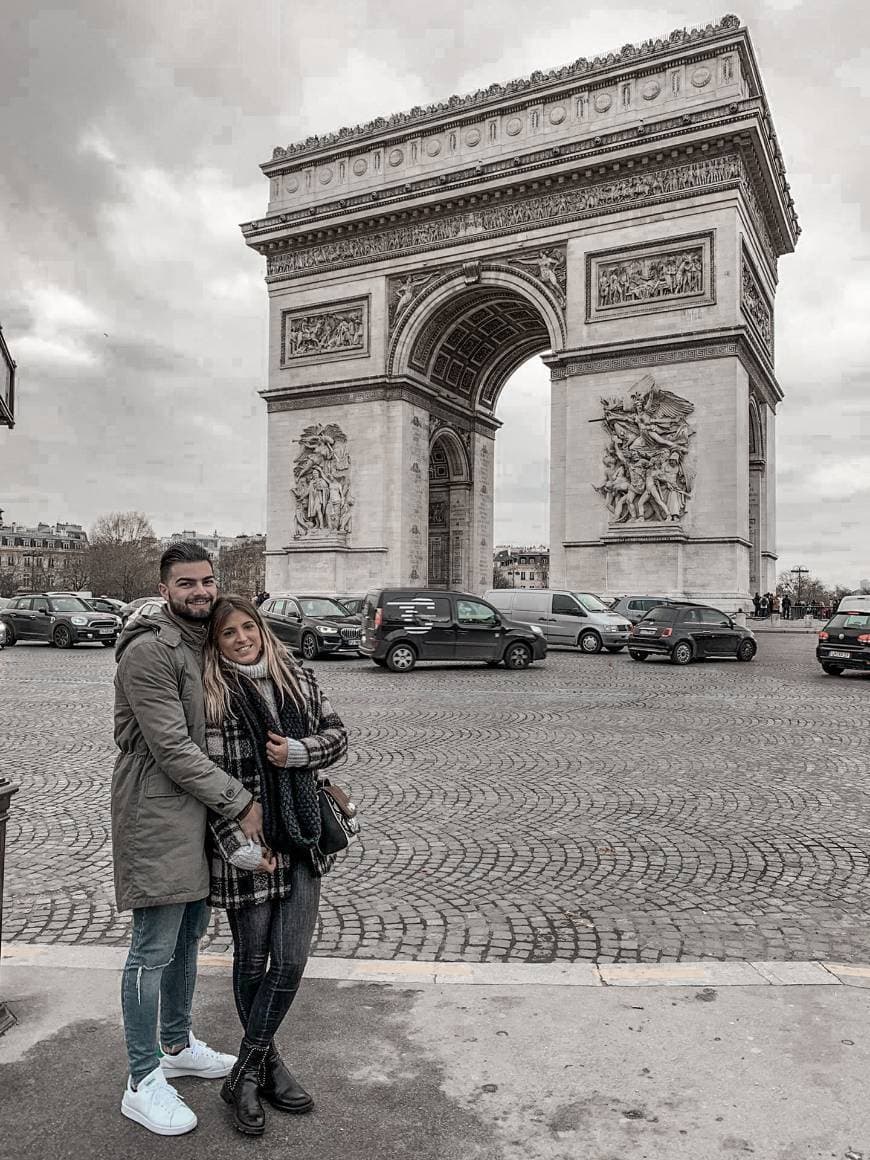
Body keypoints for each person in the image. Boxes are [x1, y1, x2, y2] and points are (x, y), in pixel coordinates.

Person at [112, 543, 265, 1136]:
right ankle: (141, 1079)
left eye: (207, 581)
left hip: (194, 812)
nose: (201, 592)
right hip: (157, 811)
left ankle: (175, 1045)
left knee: (189, 938)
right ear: (165, 588)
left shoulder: (199, 643)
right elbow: (173, 749)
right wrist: (242, 801)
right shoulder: (149, 651)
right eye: (187, 584)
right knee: (152, 949)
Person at [202, 595, 348, 1136]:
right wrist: (233, 842)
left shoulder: (301, 678)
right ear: (216, 645)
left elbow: (338, 736)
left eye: (248, 627)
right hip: (250, 846)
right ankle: (267, 1064)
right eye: (228, 634)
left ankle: (245, 1068)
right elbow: (206, 781)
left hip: (302, 838)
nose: (242, 638)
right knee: (251, 961)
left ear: (261, 627)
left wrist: (300, 752)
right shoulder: (212, 696)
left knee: (288, 962)